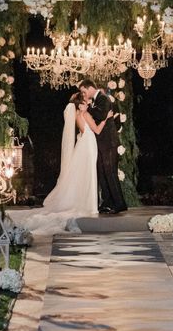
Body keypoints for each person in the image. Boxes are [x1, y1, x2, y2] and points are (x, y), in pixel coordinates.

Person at [7, 92, 113, 234]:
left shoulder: (77, 116)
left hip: (83, 144)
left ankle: (87, 201)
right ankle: (89, 204)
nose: (88, 102)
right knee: (88, 173)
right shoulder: (85, 115)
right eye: (86, 101)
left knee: (84, 173)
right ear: (81, 104)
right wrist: (107, 118)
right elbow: (98, 130)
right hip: (88, 145)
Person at [79, 78, 127, 214]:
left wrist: (87, 109)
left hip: (109, 142)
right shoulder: (95, 101)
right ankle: (107, 202)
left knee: (110, 172)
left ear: (89, 88)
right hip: (100, 143)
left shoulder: (103, 99)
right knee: (102, 172)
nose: (83, 94)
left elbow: (101, 115)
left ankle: (119, 203)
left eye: (83, 91)